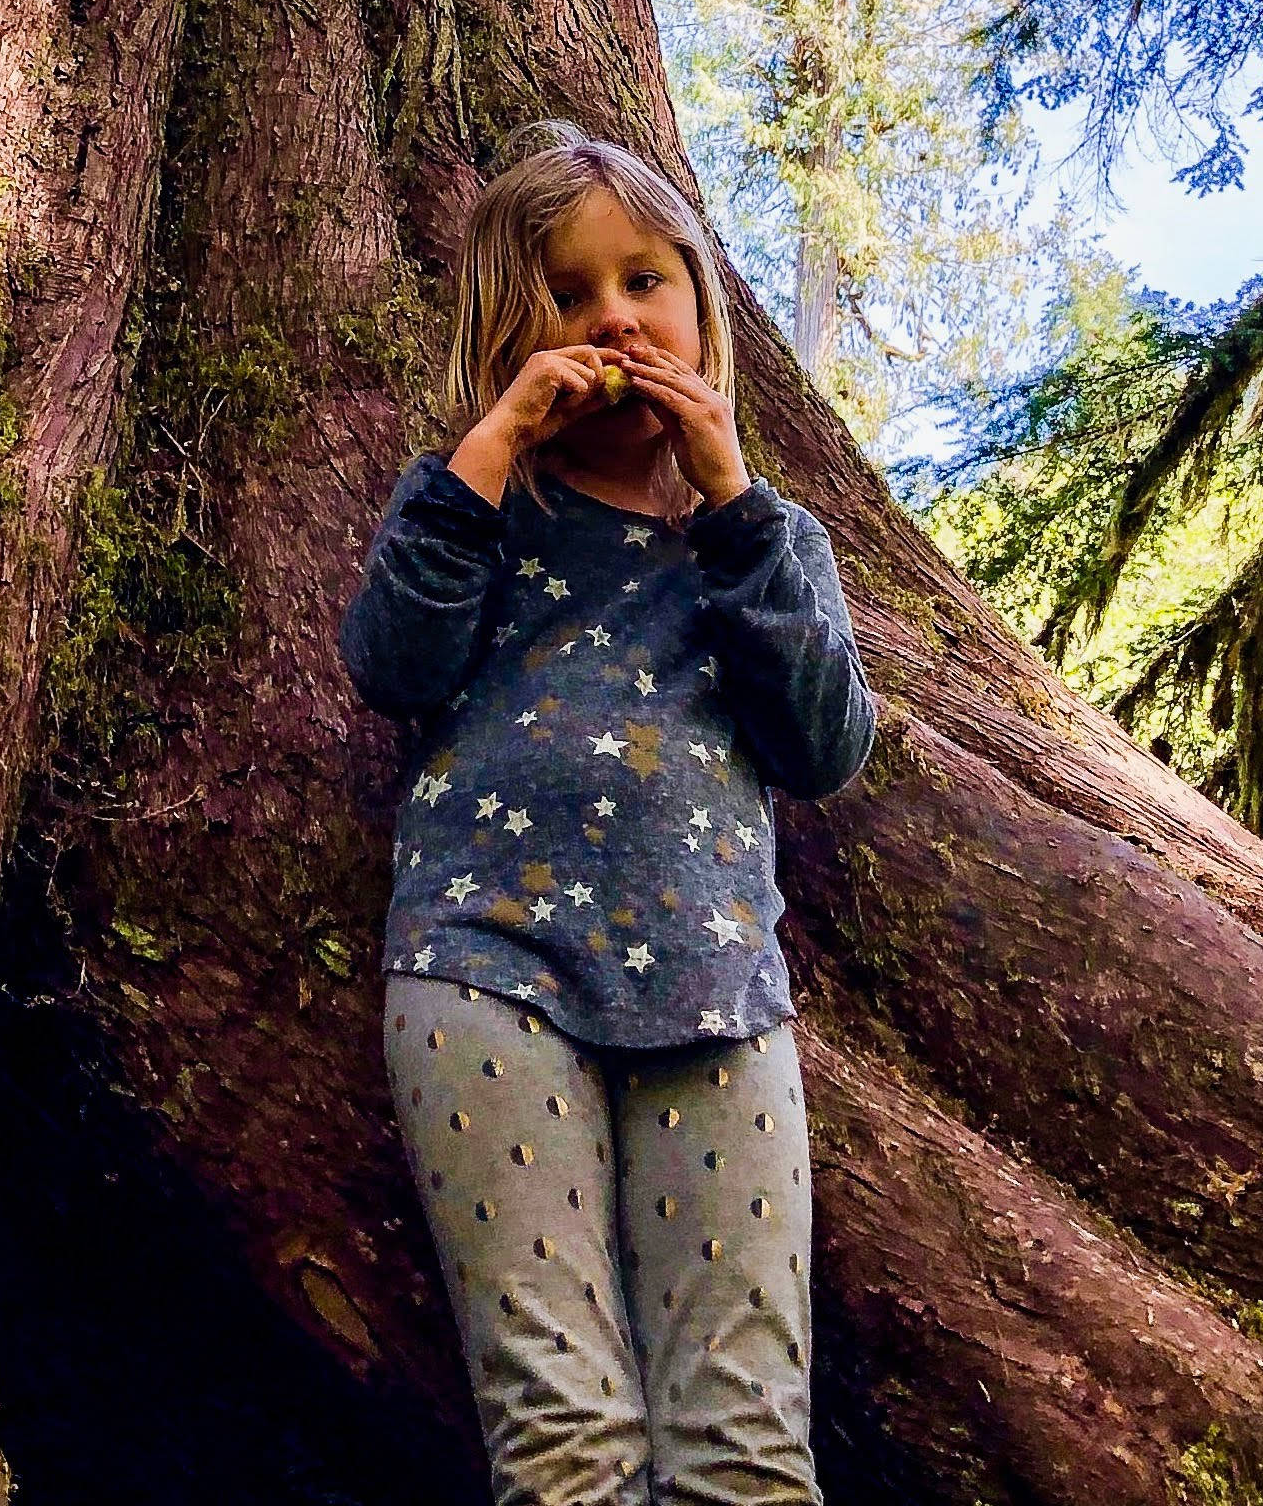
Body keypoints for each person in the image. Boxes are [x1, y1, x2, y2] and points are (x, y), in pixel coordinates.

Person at [339, 123, 874, 1503]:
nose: (614, 319)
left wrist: (737, 494)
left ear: (702, 303)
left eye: (645, 281)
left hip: (717, 993)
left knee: (746, 1444)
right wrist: (492, 444)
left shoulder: (760, 539)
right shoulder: (476, 509)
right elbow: (390, 666)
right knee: (566, 1438)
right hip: (486, 971)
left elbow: (823, 746)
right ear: (511, 330)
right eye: (570, 295)